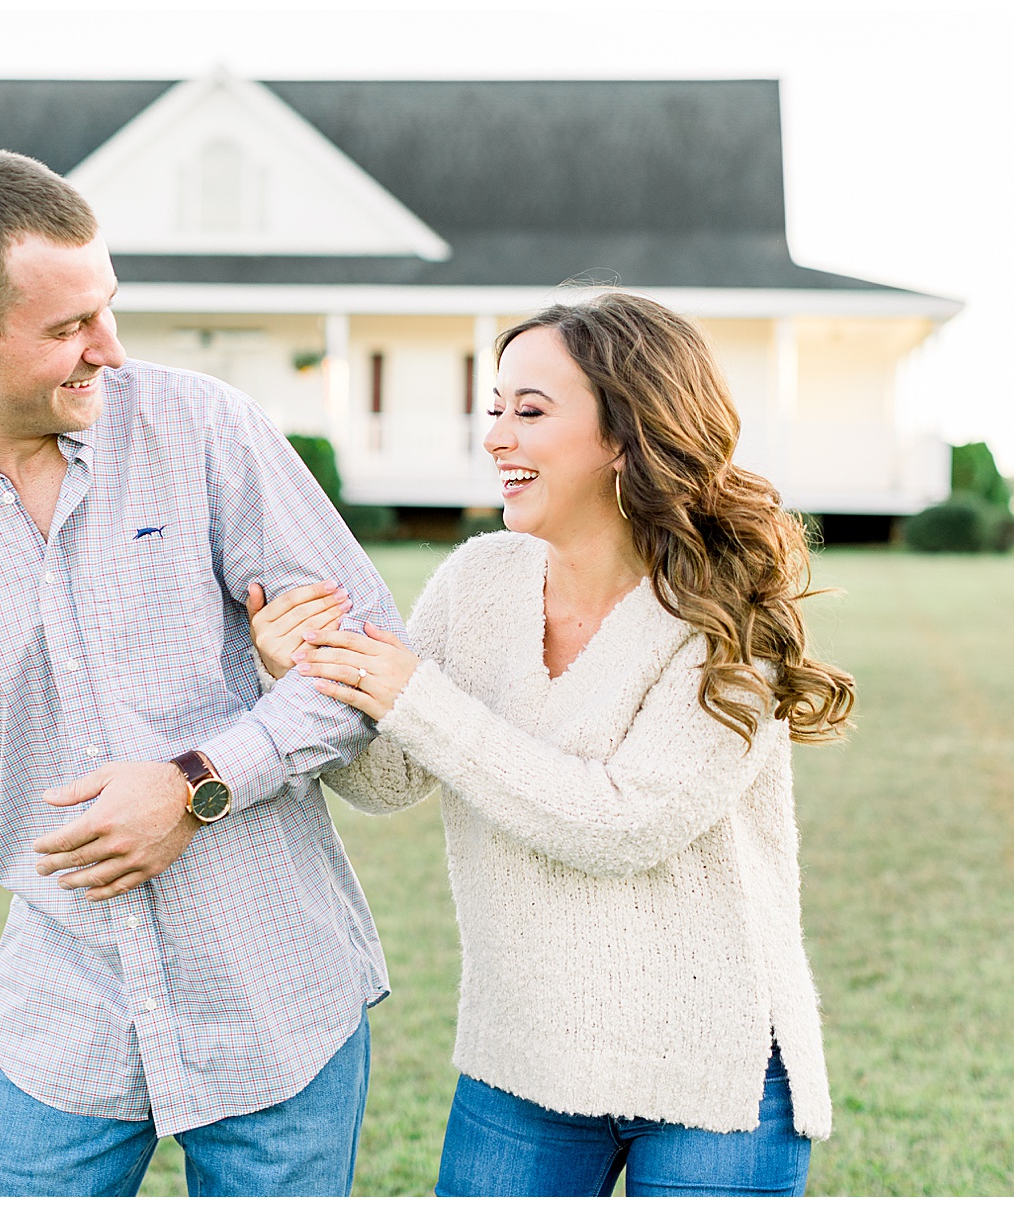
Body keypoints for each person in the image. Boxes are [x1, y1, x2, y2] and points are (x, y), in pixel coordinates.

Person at [0, 150, 407, 1196]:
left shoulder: (204, 430)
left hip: (279, 999)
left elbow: (367, 658)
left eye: (107, 309)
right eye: (70, 328)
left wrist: (198, 781)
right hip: (62, 1016)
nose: (108, 350)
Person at [248, 291, 854, 1196]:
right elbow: (392, 775)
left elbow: (623, 824)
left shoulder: (728, 619)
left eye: (529, 412)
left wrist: (412, 694)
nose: (496, 436)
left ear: (627, 434)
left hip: (714, 1072)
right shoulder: (478, 580)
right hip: (522, 1058)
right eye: (495, 409)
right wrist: (303, 674)